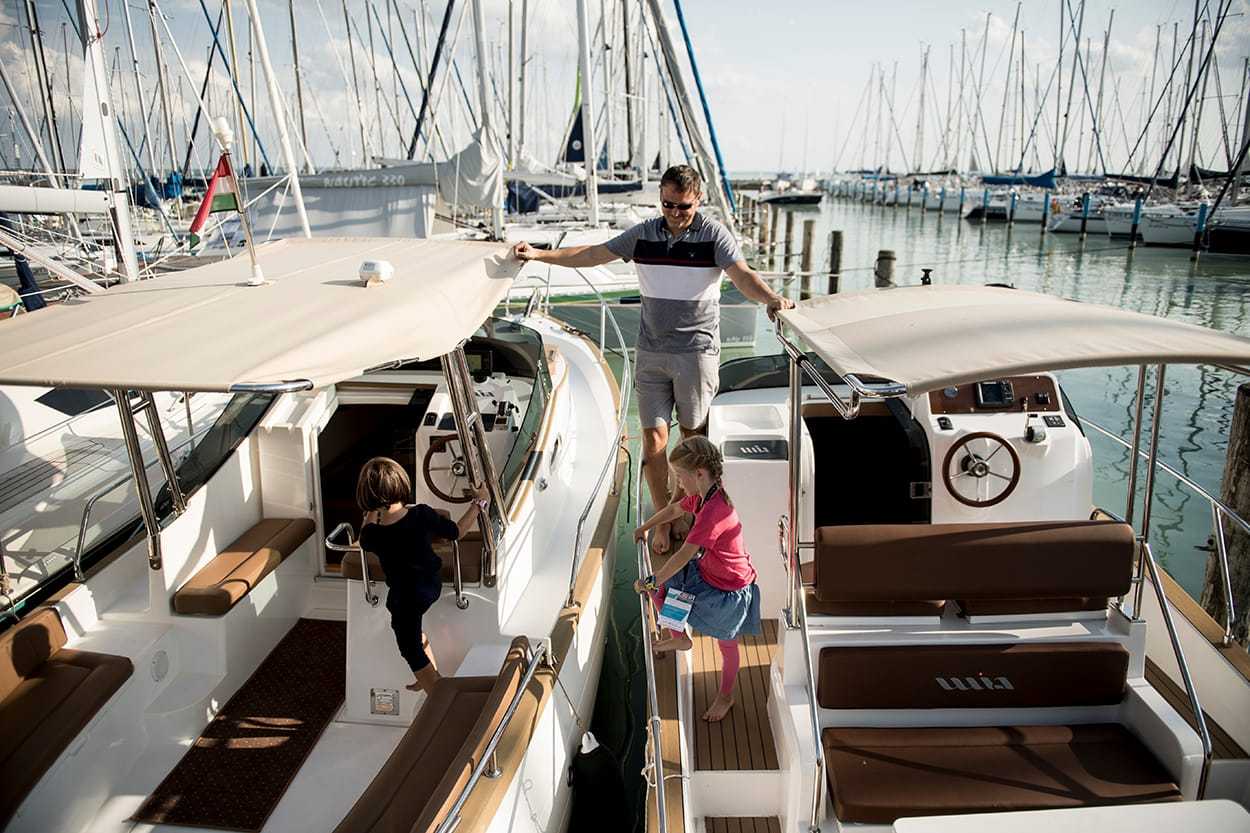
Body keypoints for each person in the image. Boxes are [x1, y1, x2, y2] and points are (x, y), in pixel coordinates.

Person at [512, 165, 794, 554]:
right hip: (651, 352)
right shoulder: (643, 234)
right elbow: (593, 253)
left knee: (693, 439)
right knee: (654, 440)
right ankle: (664, 519)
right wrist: (540, 255)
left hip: (696, 352)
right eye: (668, 205)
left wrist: (771, 299)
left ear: (698, 200)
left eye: (684, 206)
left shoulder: (714, 235)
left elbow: (742, 275)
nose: (675, 213)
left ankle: (687, 511)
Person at [632, 437, 760, 722]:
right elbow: (675, 509)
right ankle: (680, 639)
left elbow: (682, 556)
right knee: (665, 586)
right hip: (709, 572)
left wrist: (650, 581)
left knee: (727, 644)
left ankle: (726, 696)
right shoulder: (705, 496)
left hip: (730, 589)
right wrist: (645, 527)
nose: (678, 483)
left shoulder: (714, 512)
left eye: (680, 476)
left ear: (699, 474)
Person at [356, 456, 488, 693]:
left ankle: (436, 692)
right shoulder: (422, 515)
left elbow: (364, 535)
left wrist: (371, 512)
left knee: (408, 646)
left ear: (368, 498)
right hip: (430, 584)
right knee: (410, 632)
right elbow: (457, 532)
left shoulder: (372, 535)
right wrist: (478, 504)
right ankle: (430, 674)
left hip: (406, 594)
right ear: (400, 485)